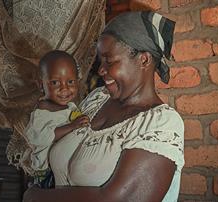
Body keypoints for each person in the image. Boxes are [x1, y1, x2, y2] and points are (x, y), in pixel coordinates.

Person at [23, 11, 184, 202]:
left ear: (144, 60)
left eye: (109, 60)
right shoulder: (97, 99)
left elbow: (123, 199)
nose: (101, 70)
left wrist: (38, 197)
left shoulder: (159, 124)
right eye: (101, 61)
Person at [25, 50, 90, 188]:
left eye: (70, 81)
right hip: (47, 172)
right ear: (40, 84)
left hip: (67, 168)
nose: (64, 88)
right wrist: (72, 126)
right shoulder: (42, 110)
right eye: (55, 82)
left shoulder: (71, 107)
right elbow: (39, 137)